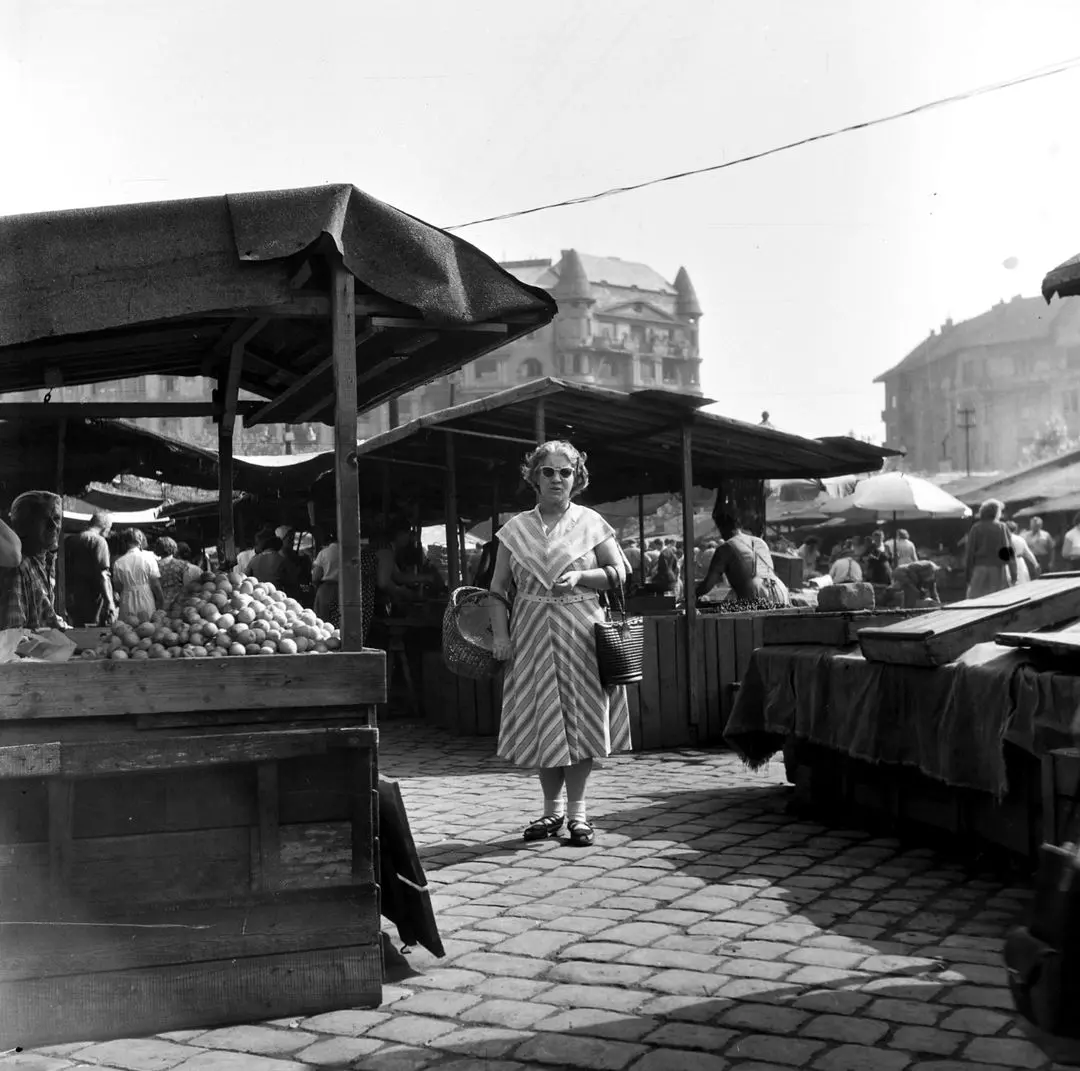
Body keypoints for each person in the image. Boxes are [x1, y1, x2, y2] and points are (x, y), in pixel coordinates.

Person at [490, 439, 631, 848]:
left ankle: (578, 814)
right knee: (543, 718)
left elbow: (620, 570)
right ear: (534, 477)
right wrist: (501, 635)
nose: (556, 479)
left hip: (581, 631)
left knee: (581, 717)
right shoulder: (515, 530)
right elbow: (498, 588)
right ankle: (552, 811)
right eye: (548, 471)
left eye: (565, 472)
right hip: (532, 631)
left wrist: (584, 578)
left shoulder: (591, 523)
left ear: (577, 478)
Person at [0, 491, 67, 629]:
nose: (54, 525)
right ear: (23, 526)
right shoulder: (18, 567)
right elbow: (13, 633)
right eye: (44, 519)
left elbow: (45, 615)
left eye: (56, 518)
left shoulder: (46, 560)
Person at [695, 513, 792, 606]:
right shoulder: (761, 542)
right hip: (781, 591)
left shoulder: (725, 548)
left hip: (755, 594)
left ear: (720, 528)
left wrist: (691, 595)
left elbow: (708, 584)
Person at [65, 510, 117, 626]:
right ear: (105, 526)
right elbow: (103, 574)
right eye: (109, 528)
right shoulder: (99, 541)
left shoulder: (69, 541)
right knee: (93, 635)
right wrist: (109, 602)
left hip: (72, 597)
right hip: (93, 599)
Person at [965, 499, 1017, 598]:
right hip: (997, 571)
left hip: (979, 570)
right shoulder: (1002, 527)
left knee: (976, 602)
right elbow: (1008, 552)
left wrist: (968, 576)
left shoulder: (976, 528)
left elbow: (970, 553)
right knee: (998, 600)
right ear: (996, 512)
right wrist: (1013, 573)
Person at [112, 528, 164, 623]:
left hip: (127, 598)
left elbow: (118, 587)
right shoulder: (149, 558)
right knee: (147, 628)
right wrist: (161, 600)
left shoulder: (118, 562)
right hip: (146, 597)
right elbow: (155, 584)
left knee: (127, 630)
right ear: (140, 540)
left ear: (125, 542)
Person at [155, 536, 201, 613]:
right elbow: (187, 586)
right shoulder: (182, 565)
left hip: (159, 605)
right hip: (177, 604)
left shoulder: (153, 566)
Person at [1006, 521, 1040, 585]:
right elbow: (1028, 553)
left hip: (1008, 563)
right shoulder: (1020, 539)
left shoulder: (1004, 539)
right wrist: (1035, 563)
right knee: (1023, 581)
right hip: (1020, 562)